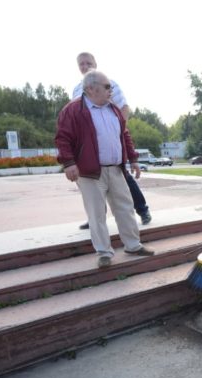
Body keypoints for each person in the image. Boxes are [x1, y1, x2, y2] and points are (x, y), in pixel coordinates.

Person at [55, 70, 155, 269]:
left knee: (125, 209)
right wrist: (68, 163)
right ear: (91, 89)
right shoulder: (73, 110)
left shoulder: (113, 109)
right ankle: (103, 252)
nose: (111, 90)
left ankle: (133, 246)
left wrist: (133, 159)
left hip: (116, 170)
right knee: (96, 213)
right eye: (107, 86)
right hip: (89, 172)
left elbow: (124, 135)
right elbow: (62, 138)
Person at [72, 52, 151, 228]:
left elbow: (124, 108)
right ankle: (94, 217)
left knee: (122, 176)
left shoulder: (109, 83)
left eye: (88, 63)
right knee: (89, 182)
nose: (85, 67)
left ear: (95, 64)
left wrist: (119, 134)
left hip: (111, 139)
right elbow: (74, 117)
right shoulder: (77, 89)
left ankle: (142, 209)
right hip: (89, 145)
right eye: (82, 64)